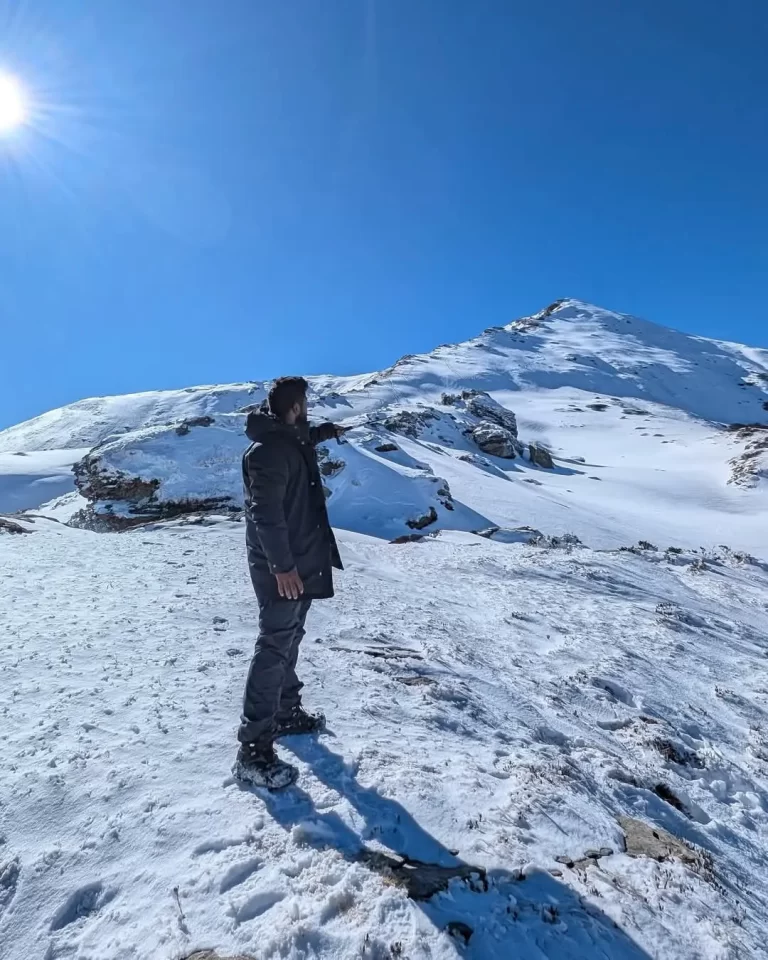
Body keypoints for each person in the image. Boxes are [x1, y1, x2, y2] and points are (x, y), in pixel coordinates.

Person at [233, 376, 346, 789]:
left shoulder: (286, 439)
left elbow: (300, 440)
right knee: (275, 644)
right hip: (283, 566)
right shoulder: (268, 452)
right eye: (307, 406)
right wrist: (282, 568)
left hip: (299, 559)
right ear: (296, 407)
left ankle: (285, 711)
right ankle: (252, 751)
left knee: (291, 635)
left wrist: (327, 433)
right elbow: (265, 513)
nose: (309, 412)